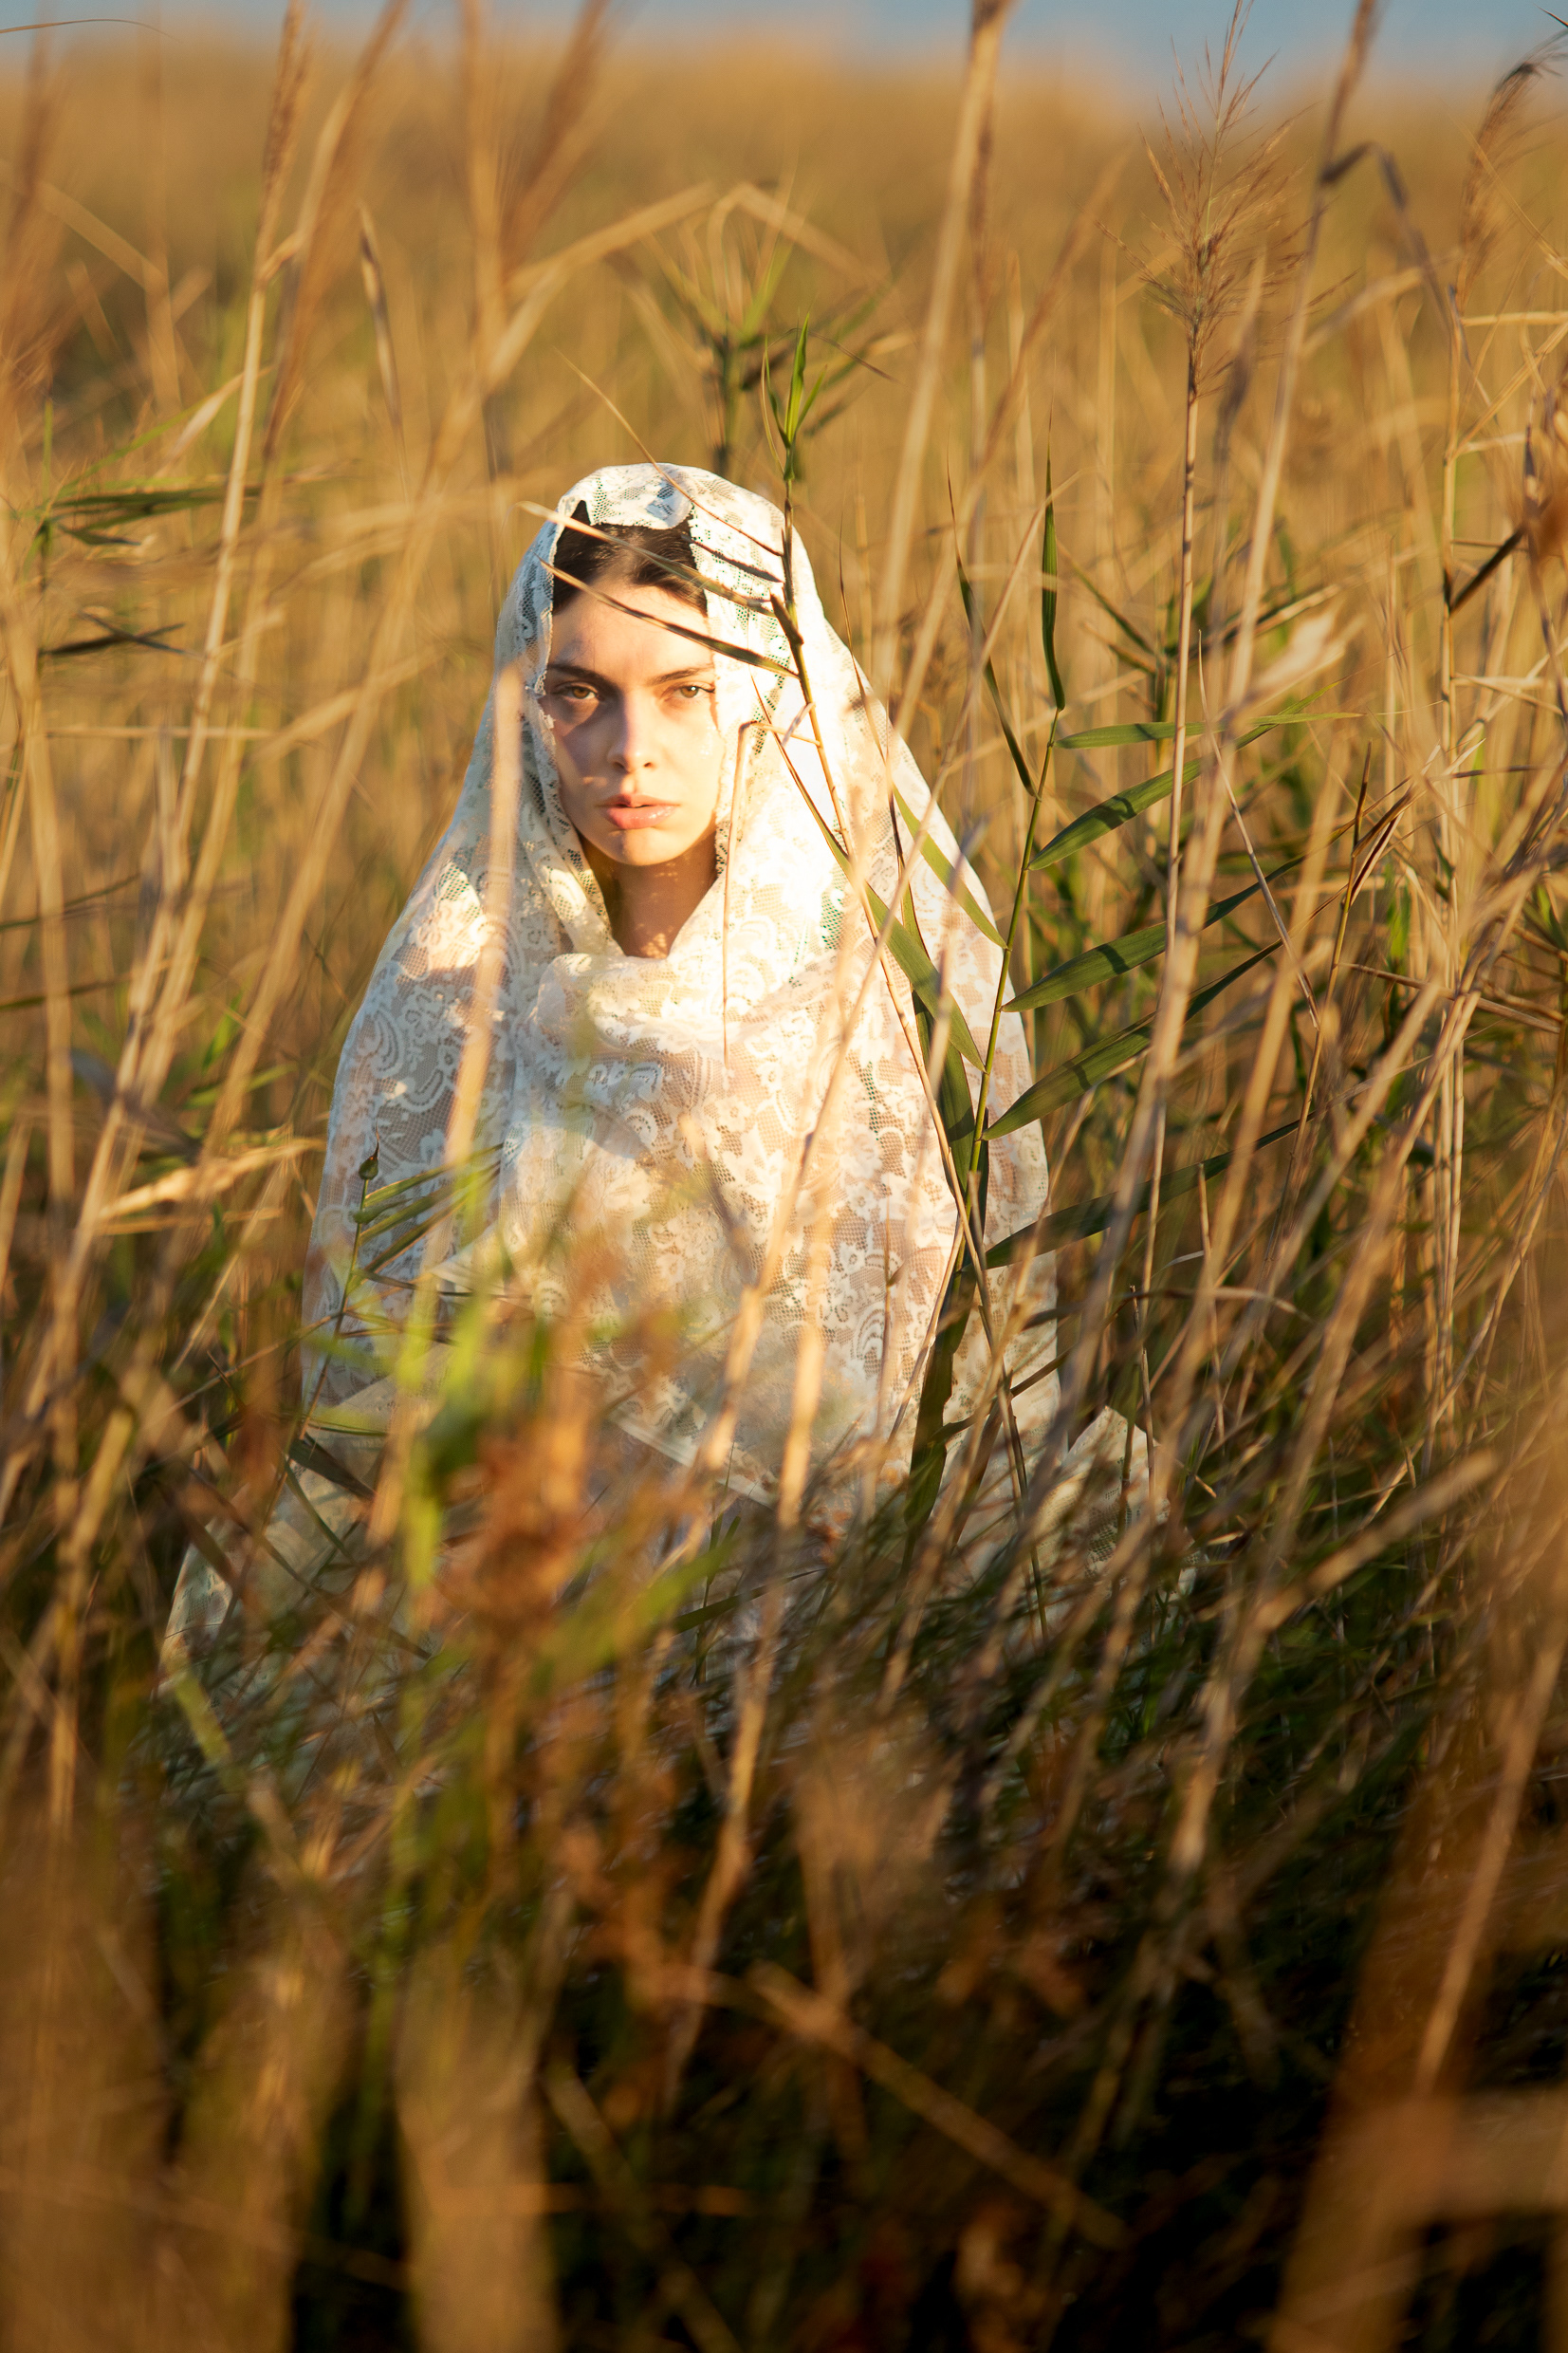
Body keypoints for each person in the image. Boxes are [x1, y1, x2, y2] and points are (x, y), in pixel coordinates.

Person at [161, 464, 1134, 1693]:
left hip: (812, 1615)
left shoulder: (870, 993)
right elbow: (374, 1392)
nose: (630, 752)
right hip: (510, 1623)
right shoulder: (452, 992)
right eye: (580, 695)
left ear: (766, 700)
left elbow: (933, 1375)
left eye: (685, 693)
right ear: (528, 708)